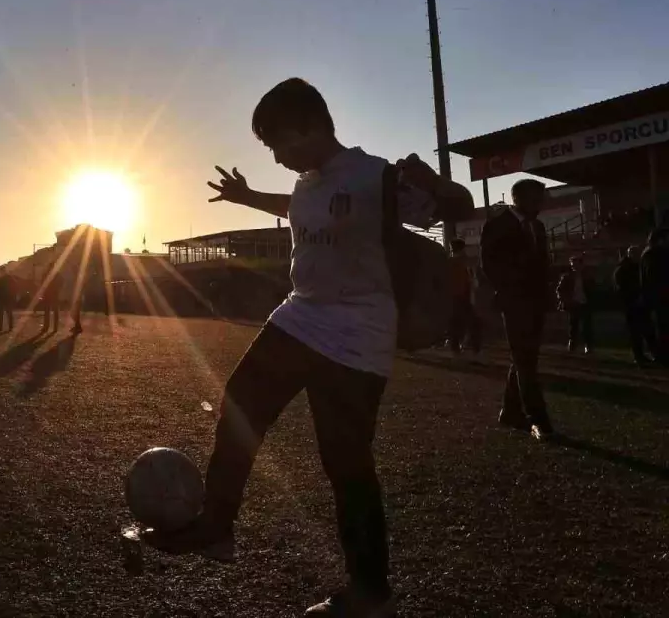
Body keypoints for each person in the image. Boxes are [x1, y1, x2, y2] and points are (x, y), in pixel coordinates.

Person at [145, 78, 473, 618]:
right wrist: (247, 196)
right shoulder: (308, 182)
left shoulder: (377, 177)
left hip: (357, 333)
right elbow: (297, 204)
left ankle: (371, 593)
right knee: (239, 403)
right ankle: (216, 528)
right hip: (301, 315)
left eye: (277, 143)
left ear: (308, 127)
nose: (275, 156)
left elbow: (454, 208)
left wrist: (436, 181)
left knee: (345, 463)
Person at [480, 179, 554, 440]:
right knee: (525, 360)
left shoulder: (538, 227)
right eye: (537, 198)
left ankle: (510, 412)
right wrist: (513, 288)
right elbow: (489, 265)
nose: (542, 203)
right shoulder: (497, 225)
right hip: (514, 302)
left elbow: (543, 263)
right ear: (519, 199)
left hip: (535, 302)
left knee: (525, 358)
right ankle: (538, 419)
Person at [613, 245, 654, 367]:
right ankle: (640, 356)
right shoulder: (624, 269)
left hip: (636, 304)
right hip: (632, 304)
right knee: (638, 332)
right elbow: (621, 288)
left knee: (643, 331)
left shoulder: (630, 268)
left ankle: (643, 355)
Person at [446, 239, 482, 359]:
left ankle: (456, 347)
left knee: (456, 323)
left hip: (454, 297)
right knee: (472, 323)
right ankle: (474, 349)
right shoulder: (464, 263)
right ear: (462, 249)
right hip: (463, 297)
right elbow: (472, 281)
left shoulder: (449, 262)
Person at [641, 228, 669, 364]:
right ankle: (661, 354)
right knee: (662, 327)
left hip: (658, 296)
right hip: (660, 297)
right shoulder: (655, 255)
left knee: (661, 326)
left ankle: (660, 353)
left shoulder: (649, 254)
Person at [556, 256, 596, 354]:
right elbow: (560, 290)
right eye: (573, 264)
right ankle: (574, 343)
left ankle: (586, 345)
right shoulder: (568, 277)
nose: (575, 266)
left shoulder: (586, 276)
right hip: (574, 303)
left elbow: (593, 289)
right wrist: (566, 299)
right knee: (574, 325)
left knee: (586, 325)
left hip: (584, 303)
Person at [40, 268, 62, 333]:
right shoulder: (57, 274)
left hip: (48, 294)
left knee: (48, 311)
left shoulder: (46, 274)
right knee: (54, 311)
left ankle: (46, 327)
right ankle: (54, 328)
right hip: (53, 294)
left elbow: (42, 284)